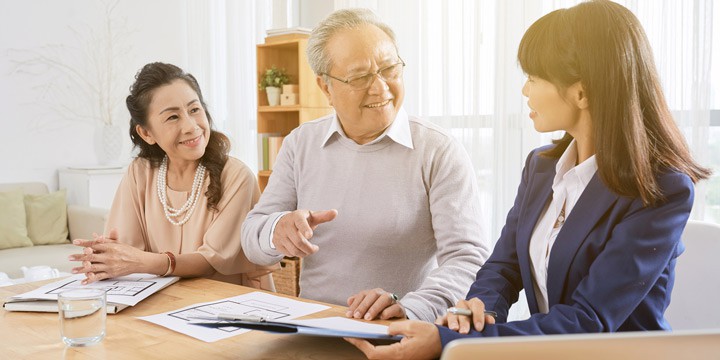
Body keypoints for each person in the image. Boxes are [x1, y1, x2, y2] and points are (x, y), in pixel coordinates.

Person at [345, 1, 712, 358]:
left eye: (534, 78)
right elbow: (503, 268)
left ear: (581, 92)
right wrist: (470, 314)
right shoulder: (540, 167)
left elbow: (588, 320)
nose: (525, 91)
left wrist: (448, 341)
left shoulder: (662, 189)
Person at [241, 8, 491, 322]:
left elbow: (467, 259)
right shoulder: (300, 144)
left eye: (389, 69)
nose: (381, 87)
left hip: (398, 331)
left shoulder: (437, 150)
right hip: (314, 328)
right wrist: (276, 230)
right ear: (325, 87)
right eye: (360, 77)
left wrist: (412, 307)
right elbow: (252, 237)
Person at [69, 62, 275, 289]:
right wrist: (105, 258)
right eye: (173, 117)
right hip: (162, 302)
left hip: (224, 306)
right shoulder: (141, 172)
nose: (191, 126)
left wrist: (140, 261)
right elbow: (128, 251)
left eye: (194, 110)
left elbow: (211, 261)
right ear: (146, 133)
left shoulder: (237, 177)